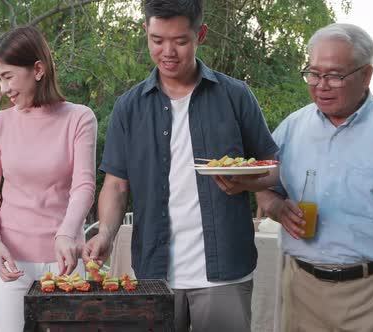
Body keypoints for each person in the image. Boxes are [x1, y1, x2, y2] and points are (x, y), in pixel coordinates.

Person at [82, 0, 279, 331]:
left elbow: (272, 169)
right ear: (145, 31)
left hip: (224, 271)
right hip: (153, 272)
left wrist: (247, 183)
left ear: (200, 34)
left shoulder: (235, 95)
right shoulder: (128, 107)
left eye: (180, 41)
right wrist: (105, 233)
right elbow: (116, 184)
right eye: (157, 40)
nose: (167, 52)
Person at [256, 23, 373, 331]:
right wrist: (276, 208)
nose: (320, 85)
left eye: (334, 75)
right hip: (301, 289)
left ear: (365, 75)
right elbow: (263, 185)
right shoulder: (291, 128)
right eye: (313, 73)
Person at [0, 25, 97, 332]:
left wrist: (66, 234)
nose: (3, 89)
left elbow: (84, 185)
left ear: (38, 69)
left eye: (8, 77)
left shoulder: (79, 118)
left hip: (65, 261)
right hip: (9, 263)